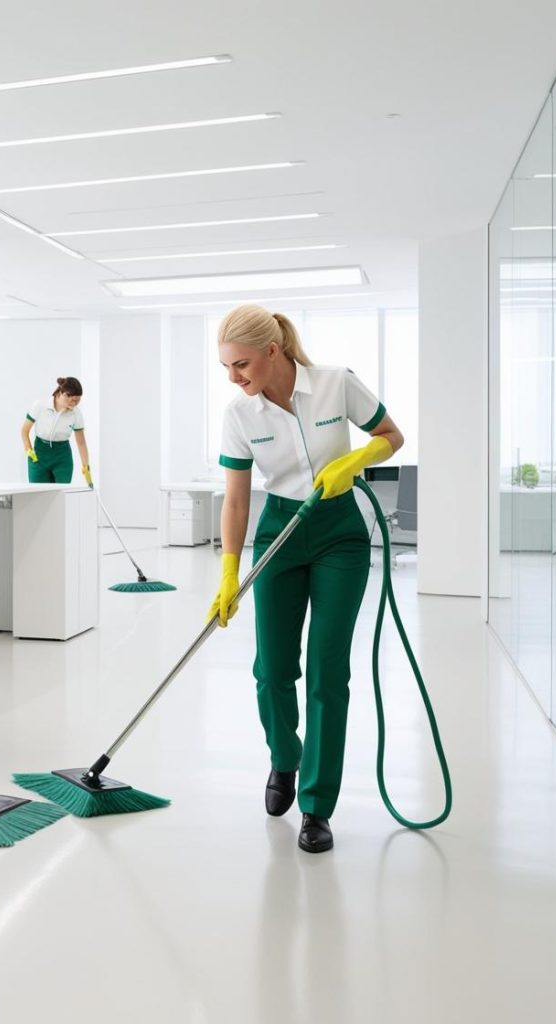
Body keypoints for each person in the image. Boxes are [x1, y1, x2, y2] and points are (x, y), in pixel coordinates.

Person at [209, 304, 403, 853]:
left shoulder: (335, 384)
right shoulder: (239, 414)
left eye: (241, 364)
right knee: (272, 668)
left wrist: (358, 457)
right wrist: (229, 571)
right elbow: (237, 498)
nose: (234, 377)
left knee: (326, 671)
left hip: (340, 533)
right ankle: (283, 759)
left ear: (273, 352)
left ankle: (317, 805)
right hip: (280, 530)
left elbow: (392, 434)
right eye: (226, 367)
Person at [21, 376, 92, 486]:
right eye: (71, 400)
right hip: (39, 455)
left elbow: (81, 443)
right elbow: (24, 431)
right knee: (37, 495)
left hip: (62, 457)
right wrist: (29, 450)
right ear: (61, 393)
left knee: (60, 495)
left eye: (77, 401)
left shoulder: (76, 414)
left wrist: (86, 467)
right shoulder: (40, 406)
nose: (73, 404)